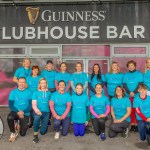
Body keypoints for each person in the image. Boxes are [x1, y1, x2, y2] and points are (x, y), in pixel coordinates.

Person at [7, 77, 32, 142]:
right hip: (16, 111)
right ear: (18, 82)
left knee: (22, 134)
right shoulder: (13, 92)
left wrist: (23, 112)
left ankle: (19, 122)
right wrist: (18, 112)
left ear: (25, 83)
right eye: (20, 82)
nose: (22, 83)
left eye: (23, 82)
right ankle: (13, 132)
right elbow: (11, 105)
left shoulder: (29, 92)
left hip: (25, 112)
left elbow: (30, 105)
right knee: (9, 117)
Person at [123, 60, 143, 132]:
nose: (130, 67)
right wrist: (129, 92)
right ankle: (132, 125)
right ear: (128, 67)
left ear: (134, 66)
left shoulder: (139, 74)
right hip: (129, 96)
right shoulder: (126, 75)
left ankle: (137, 125)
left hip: (137, 95)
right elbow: (124, 85)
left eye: (132, 65)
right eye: (129, 66)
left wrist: (134, 92)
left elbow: (140, 84)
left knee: (137, 110)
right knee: (130, 110)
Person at [32, 78, 51, 143]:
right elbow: (34, 105)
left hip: (46, 112)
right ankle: (35, 134)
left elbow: (50, 104)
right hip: (37, 111)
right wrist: (37, 111)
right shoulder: (35, 92)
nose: (43, 84)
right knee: (37, 118)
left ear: (46, 84)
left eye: (44, 83)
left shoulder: (49, 93)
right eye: (41, 83)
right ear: (39, 84)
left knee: (43, 132)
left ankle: (43, 125)